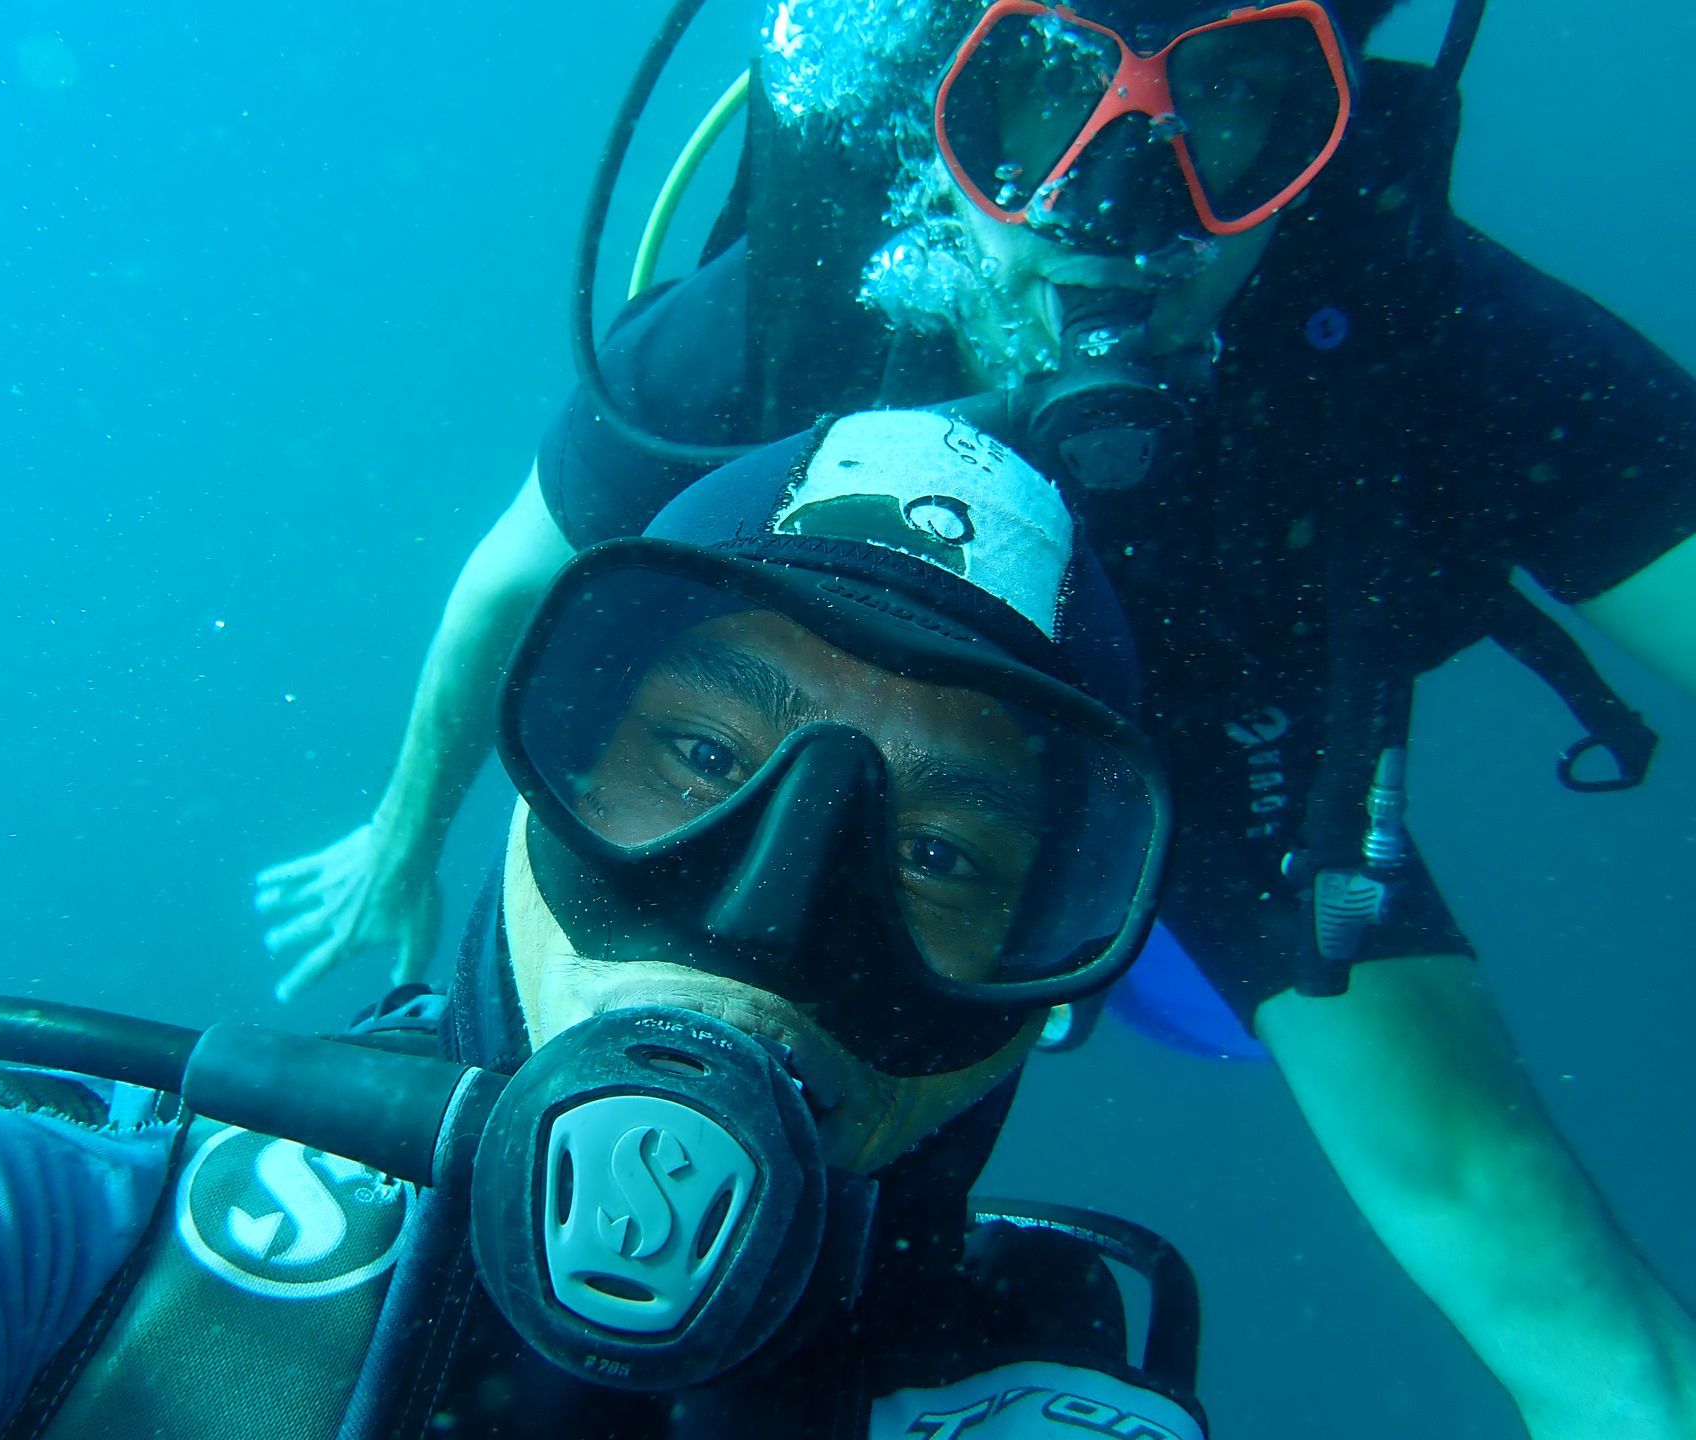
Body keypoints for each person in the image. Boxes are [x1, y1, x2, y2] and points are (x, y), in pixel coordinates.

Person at [254, 3, 1696, 1433]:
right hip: (845, 758)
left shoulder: (1422, 319)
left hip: (1238, 760)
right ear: (942, 103)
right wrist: (401, 836)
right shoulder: (794, 306)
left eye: (1231, 102)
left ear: (1319, 136)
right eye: (1046, 89)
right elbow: (521, 572)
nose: (1122, 202)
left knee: (1530, 1248)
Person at [0, 415, 1209, 1440]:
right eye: (703, 757)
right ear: (544, 776)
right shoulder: (44, 1202)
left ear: (1043, 988)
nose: (764, 922)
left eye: (941, 854)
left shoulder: (1036, 1395)